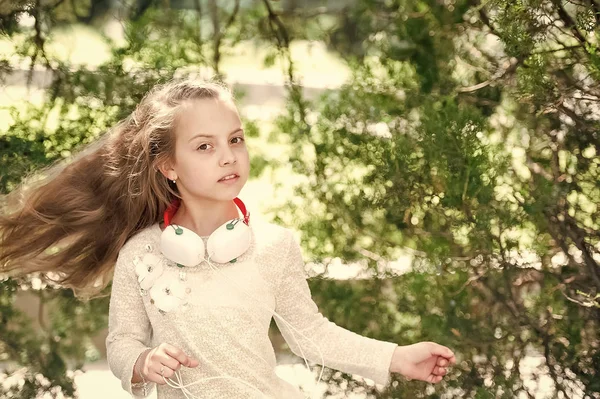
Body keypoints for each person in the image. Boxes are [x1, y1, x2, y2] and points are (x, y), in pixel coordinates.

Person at [0, 78, 455, 398]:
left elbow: (311, 335)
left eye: (235, 139)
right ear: (169, 167)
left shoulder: (274, 246)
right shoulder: (140, 254)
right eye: (205, 146)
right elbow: (122, 341)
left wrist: (397, 357)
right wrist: (141, 364)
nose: (227, 157)